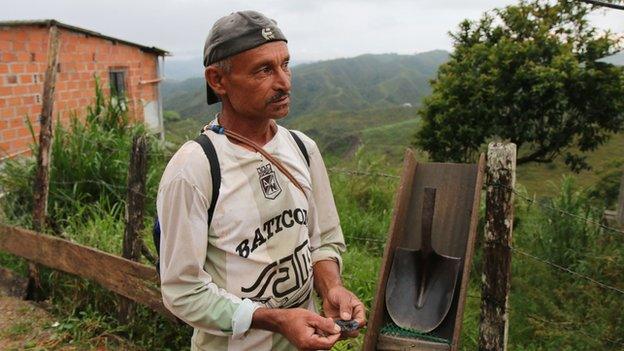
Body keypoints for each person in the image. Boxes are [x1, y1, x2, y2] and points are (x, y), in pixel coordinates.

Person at [156, 10, 366, 351]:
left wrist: (331, 288)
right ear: (217, 80)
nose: (284, 82)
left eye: (285, 64)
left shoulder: (302, 148)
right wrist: (275, 319)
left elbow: (322, 238)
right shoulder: (194, 170)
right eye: (264, 70)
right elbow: (183, 291)